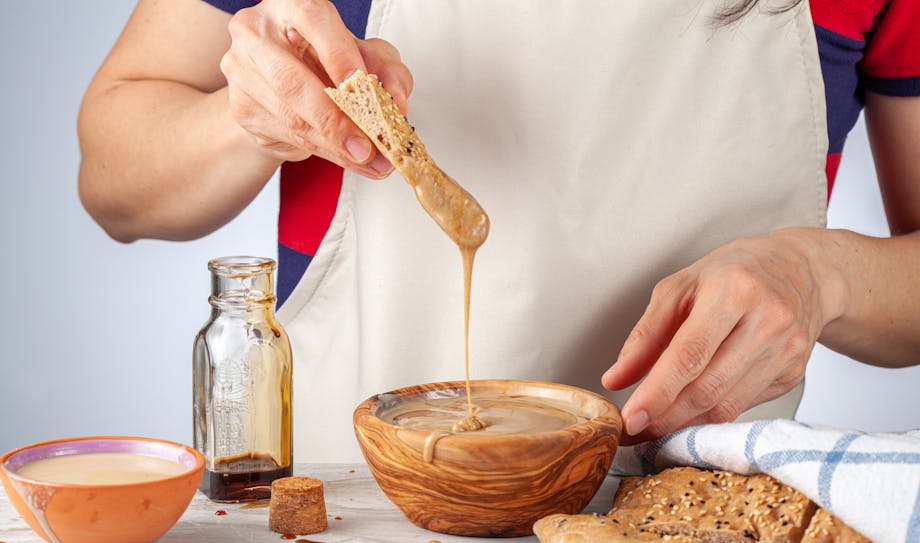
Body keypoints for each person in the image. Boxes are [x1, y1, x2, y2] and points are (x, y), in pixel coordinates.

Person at [78, 0, 920, 462]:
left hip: (694, 526)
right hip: (358, 516)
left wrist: (824, 276)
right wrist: (248, 113)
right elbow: (112, 177)